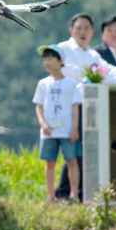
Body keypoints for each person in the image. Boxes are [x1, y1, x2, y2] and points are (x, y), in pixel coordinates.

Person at [53, 13, 116, 199]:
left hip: (86, 108)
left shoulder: (92, 54)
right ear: (71, 30)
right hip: (67, 108)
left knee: (83, 150)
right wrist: (90, 77)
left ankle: (77, 192)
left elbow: (110, 72)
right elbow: (64, 71)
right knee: (72, 150)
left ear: (92, 32)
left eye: (86, 28)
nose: (83, 32)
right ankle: (63, 193)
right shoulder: (63, 49)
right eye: (79, 28)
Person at [33, 44, 82, 203]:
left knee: (71, 160)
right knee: (50, 162)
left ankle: (74, 194)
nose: (47, 62)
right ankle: (51, 195)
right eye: (44, 59)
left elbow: (75, 107)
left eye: (50, 58)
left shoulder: (70, 83)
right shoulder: (43, 83)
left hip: (67, 129)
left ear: (60, 60)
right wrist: (43, 124)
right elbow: (39, 106)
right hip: (49, 131)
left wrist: (74, 127)